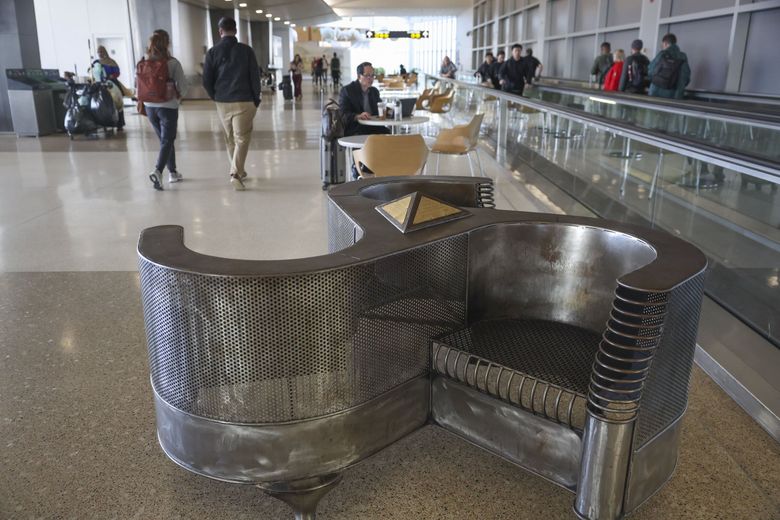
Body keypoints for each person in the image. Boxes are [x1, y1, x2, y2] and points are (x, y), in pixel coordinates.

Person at [202, 17, 261, 191]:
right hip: (244, 100)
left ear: (220, 31)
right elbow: (254, 77)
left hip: (223, 101)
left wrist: (215, 96)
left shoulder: (212, 52)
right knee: (242, 138)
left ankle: (239, 171)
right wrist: (256, 99)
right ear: (235, 30)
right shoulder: (246, 51)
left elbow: (206, 80)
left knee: (230, 138)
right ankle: (235, 173)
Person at [139, 32, 186, 190]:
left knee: (165, 140)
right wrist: (177, 99)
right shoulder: (172, 63)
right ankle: (158, 171)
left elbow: (136, 85)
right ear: (167, 44)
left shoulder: (142, 62)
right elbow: (184, 88)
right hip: (168, 107)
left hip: (149, 106)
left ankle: (172, 172)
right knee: (167, 140)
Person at [338, 61, 390, 137]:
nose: (370, 78)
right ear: (359, 76)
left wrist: (392, 111)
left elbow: (380, 108)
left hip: (373, 127)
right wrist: (357, 116)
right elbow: (343, 115)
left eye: (372, 75)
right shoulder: (347, 91)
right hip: (355, 128)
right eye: (367, 75)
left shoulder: (374, 91)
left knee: (388, 133)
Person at [94, 45, 127, 130]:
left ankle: (120, 123)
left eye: (101, 51)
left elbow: (117, 72)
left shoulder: (111, 61)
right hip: (100, 83)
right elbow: (92, 71)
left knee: (116, 101)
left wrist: (112, 76)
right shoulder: (96, 62)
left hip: (111, 82)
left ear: (105, 52)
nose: (100, 53)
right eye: (99, 52)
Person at [648, 33, 690, 99]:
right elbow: (685, 78)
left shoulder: (662, 54)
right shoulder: (683, 56)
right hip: (673, 95)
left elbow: (650, 71)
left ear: (665, 43)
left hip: (655, 93)